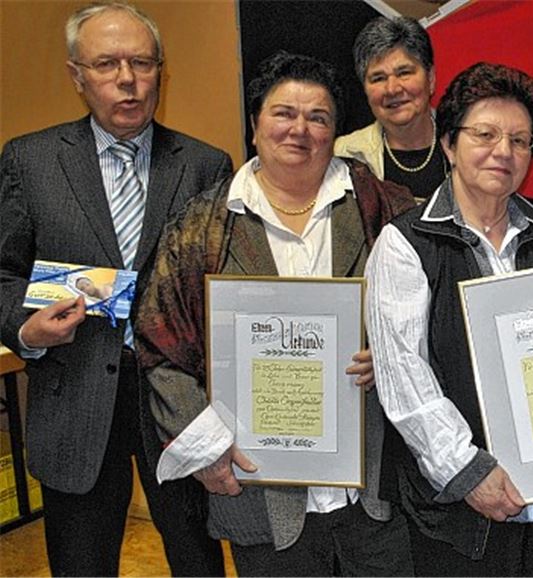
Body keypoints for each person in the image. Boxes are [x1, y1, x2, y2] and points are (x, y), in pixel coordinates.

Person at [134, 51, 417, 576]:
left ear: (336, 130)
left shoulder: (385, 210)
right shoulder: (202, 227)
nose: (300, 129)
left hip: (376, 491)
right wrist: (208, 448)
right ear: (255, 122)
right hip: (259, 492)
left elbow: (435, 317)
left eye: (319, 116)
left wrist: (396, 359)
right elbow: (160, 348)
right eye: (284, 113)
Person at [366, 61, 533, 576]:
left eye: (521, 140)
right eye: (485, 134)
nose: (503, 151)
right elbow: (405, 381)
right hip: (462, 516)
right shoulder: (405, 244)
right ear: (449, 143)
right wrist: (468, 472)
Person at [0, 3, 231, 575]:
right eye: (107, 65)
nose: (127, 79)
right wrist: (24, 329)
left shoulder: (206, 165)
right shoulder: (29, 161)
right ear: (77, 75)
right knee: (81, 565)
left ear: (161, 71)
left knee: (196, 560)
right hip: (73, 395)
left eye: (141, 62)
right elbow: (2, 272)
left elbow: (227, 287)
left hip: (178, 401)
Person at [335, 15, 446, 201]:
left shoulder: (468, 144)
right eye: (378, 78)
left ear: (431, 79)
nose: (392, 89)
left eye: (404, 73)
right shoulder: (343, 155)